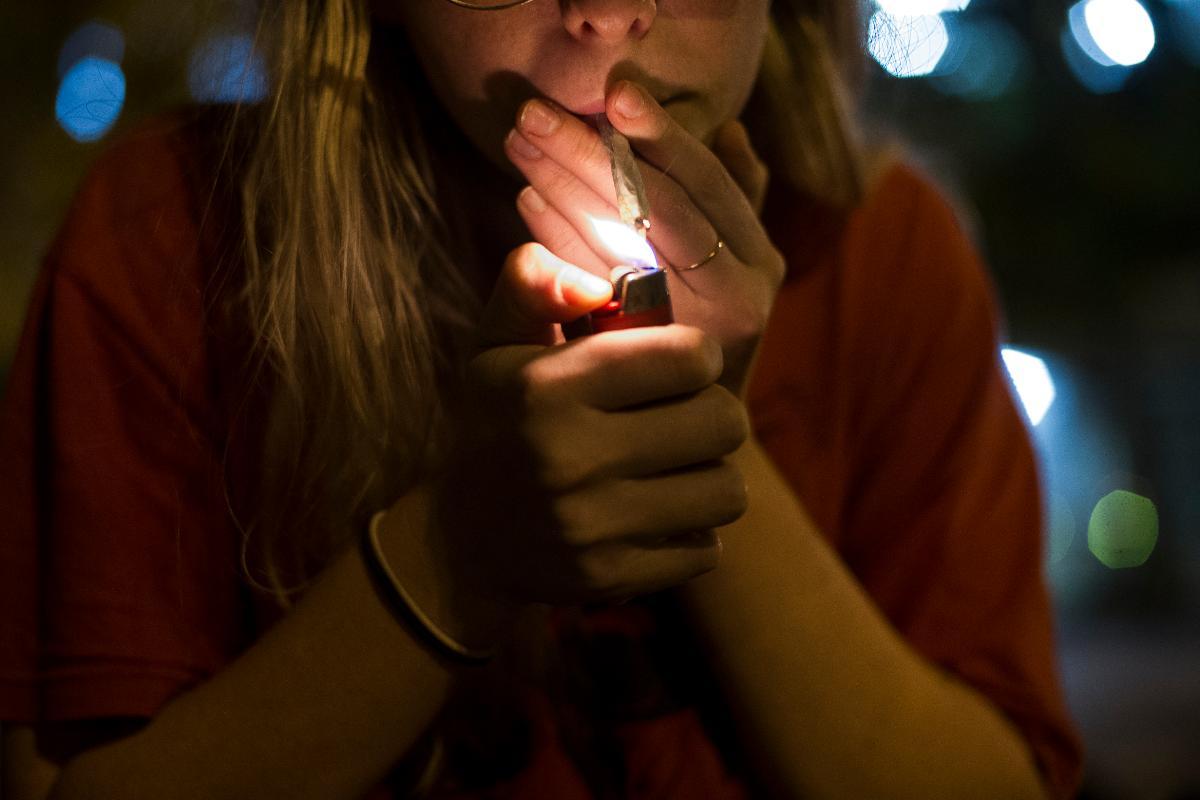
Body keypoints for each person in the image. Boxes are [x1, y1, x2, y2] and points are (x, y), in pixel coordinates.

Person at [0, 0, 1083, 797]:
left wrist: (688, 437)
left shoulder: (881, 253)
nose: (606, 15)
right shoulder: (176, 241)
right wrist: (461, 548)